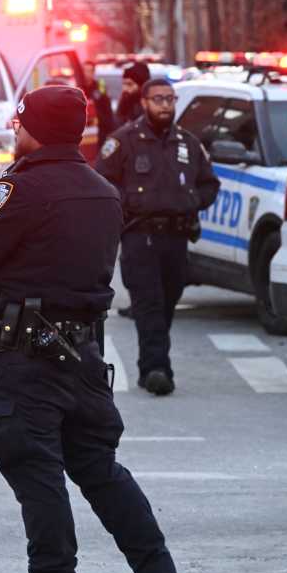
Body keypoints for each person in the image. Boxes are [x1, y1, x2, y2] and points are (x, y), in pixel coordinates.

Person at [0, 85, 189, 573]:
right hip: (83, 356)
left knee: (37, 474)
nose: (13, 128)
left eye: (19, 121)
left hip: (26, 362)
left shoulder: (20, 190)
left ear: (39, 129)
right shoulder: (102, 191)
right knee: (101, 471)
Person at [96, 78, 220, 396]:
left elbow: (210, 184)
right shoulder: (124, 141)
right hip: (140, 236)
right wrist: (127, 206)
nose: (165, 105)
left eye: (170, 99)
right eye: (158, 99)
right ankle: (156, 369)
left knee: (167, 302)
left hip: (176, 237)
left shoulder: (188, 143)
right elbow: (101, 182)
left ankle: (150, 361)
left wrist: (191, 200)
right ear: (144, 103)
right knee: (149, 304)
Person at [116, 61, 151, 126]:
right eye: (124, 84)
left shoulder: (151, 108)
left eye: (129, 84)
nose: (125, 89)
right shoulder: (125, 101)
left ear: (142, 85)